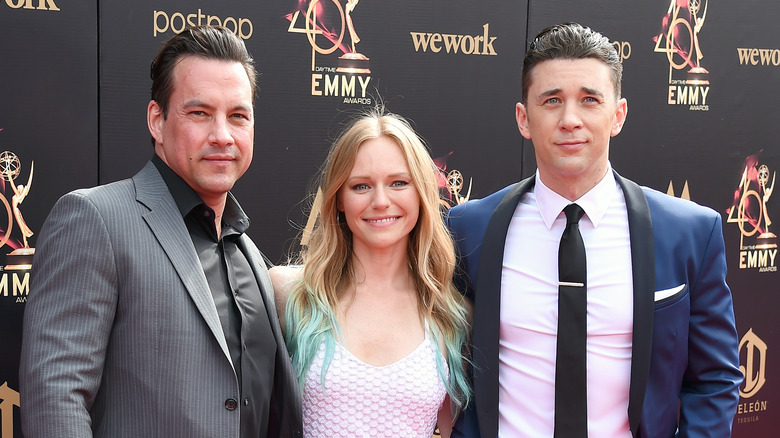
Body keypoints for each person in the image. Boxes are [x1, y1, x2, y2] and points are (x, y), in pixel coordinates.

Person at [447, 22, 742, 437]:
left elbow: (714, 380)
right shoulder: (467, 228)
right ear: (523, 118)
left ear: (617, 115)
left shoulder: (690, 233)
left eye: (589, 100)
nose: (570, 120)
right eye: (551, 100)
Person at [19, 25, 302, 438]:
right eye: (199, 113)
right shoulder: (97, 219)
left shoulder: (251, 257)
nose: (222, 135)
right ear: (157, 119)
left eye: (238, 116)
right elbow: (56, 397)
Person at [270, 110, 471, 437]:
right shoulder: (289, 294)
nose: (380, 201)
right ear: (338, 199)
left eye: (398, 183)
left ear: (421, 193)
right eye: (361, 185)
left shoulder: (449, 314)